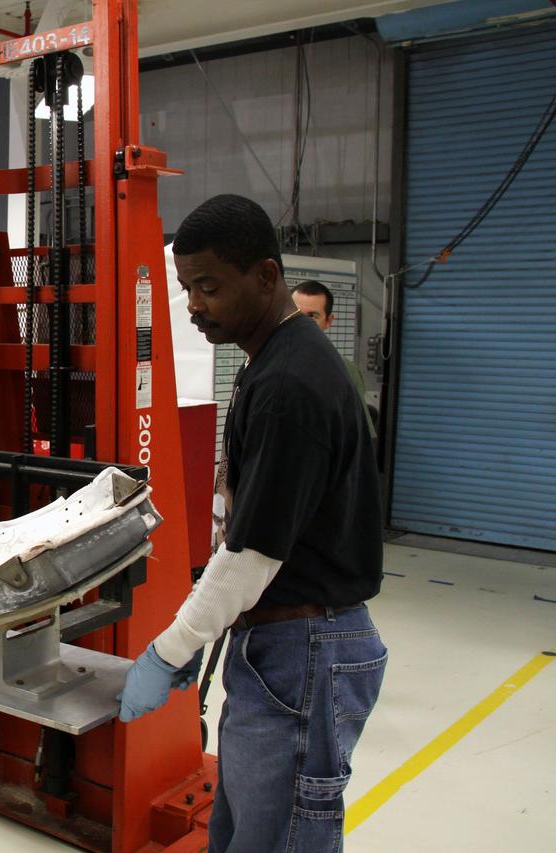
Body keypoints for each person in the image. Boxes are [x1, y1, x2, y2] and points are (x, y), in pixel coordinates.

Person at [117, 194, 387, 851]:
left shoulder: (292, 383)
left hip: (308, 650)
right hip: (280, 647)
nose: (194, 304)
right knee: (240, 833)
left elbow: (252, 556)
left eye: (208, 287)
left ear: (266, 276)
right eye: (187, 288)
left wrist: (171, 648)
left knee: (279, 837)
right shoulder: (268, 364)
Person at [291, 279, 377, 439]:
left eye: (312, 316)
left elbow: (362, 438)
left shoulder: (344, 371)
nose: (300, 323)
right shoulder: (264, 361)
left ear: (328, 321)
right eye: (295, 314)